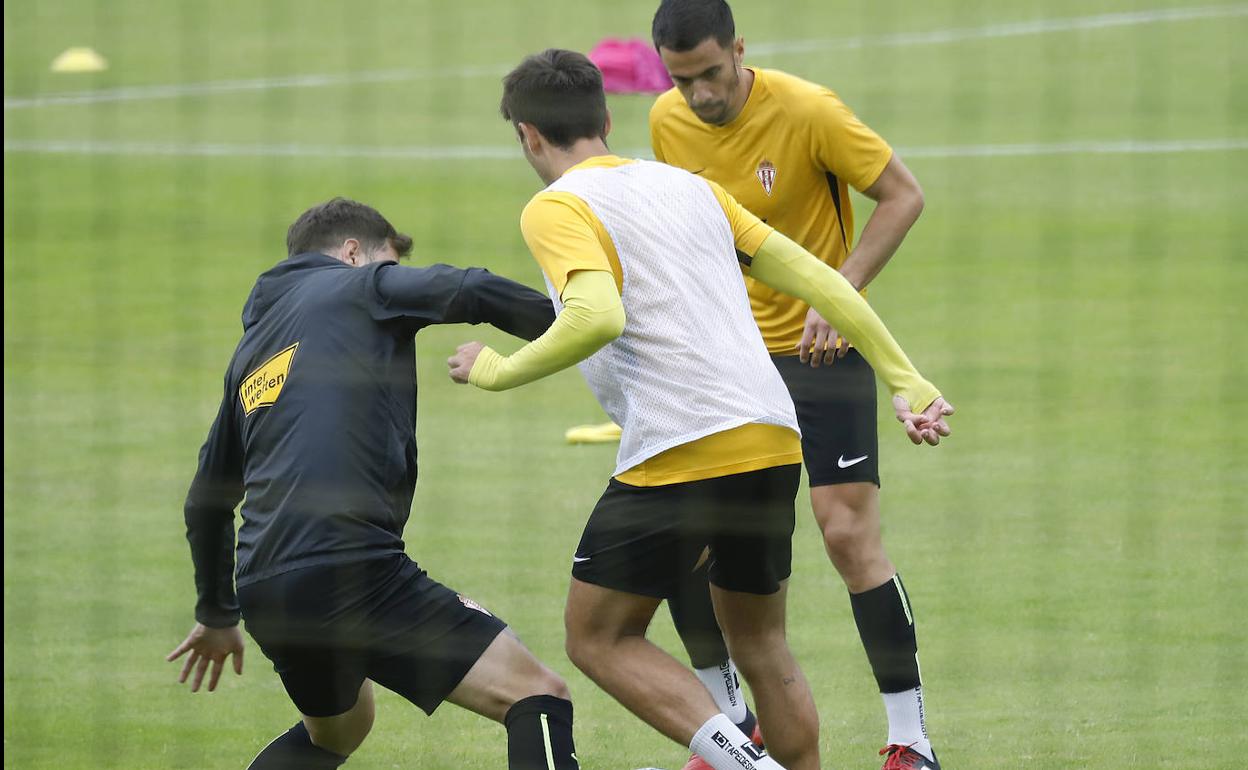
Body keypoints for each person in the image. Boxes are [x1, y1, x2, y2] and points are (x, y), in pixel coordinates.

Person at [446, 49, 951, 770]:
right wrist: (909, 381)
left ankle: (749, 766)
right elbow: (820, 279)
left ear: (528, 135)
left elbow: (594, 316)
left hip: (679, 448)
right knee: (759, 641)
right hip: (774, 439)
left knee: (597, 636)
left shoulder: (555, 208)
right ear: (607, 117)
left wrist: (494, 370)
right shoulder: (690, 186)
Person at [165, 197, 581, 770]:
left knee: (337, 732)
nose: (393, 274)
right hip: (350, 568)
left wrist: (216, 612)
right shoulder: (361, 286)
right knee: (536, 694)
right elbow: (471, 288)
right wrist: (584, 329)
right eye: (388, 261)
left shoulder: (252, 354)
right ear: (354, 253)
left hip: (268, 590)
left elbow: (204, 502)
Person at [646, 2, 943, 768]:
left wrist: (839, 293)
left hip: (820, 355)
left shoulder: (809, 110)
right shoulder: (665, 124)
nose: (701, 95)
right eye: (683, 80)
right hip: (726, 365)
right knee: (699, 542)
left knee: (847, 536)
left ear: (740, 49)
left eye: (712, 73)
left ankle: (911, 741)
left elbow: (904, 195)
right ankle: (734, 727)